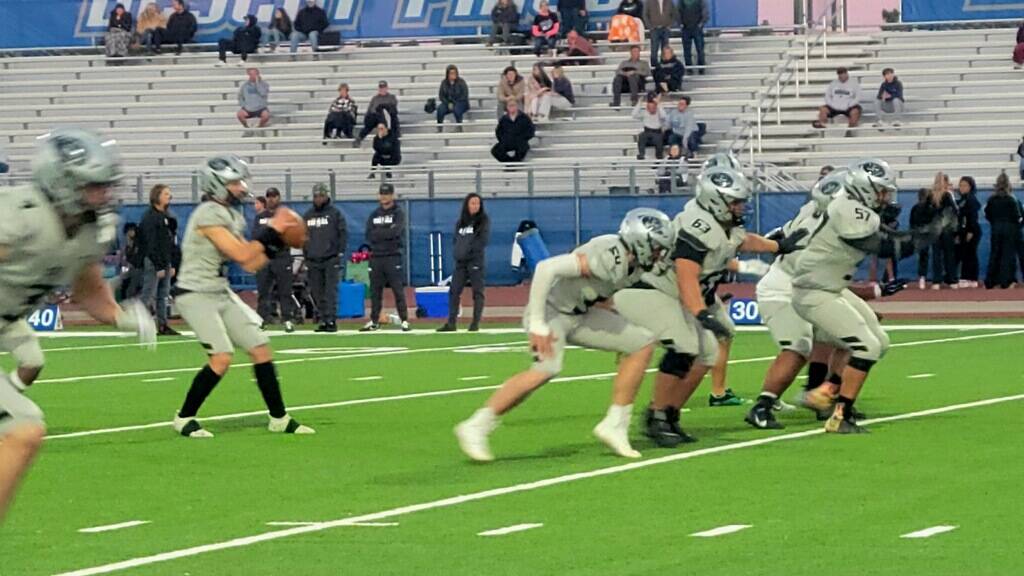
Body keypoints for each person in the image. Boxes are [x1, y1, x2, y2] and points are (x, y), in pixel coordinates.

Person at [0, 128, 156, 521]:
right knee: (23, 428)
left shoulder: (87, 230)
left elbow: (88, 291)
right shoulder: (19, 215)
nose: (103, 195)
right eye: (93, 186)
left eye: (105, 186)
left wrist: (122, 317)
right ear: (61, 181)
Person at [455, 208, 676, 462]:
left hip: (580, 314)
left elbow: (600, 292)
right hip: (552, 312)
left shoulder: (634, 263)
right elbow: (546, 269)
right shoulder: (607, 254)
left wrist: (619, 330)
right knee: (547, 368)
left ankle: (615, 425)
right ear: (641, 242)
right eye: (657, 247)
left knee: (641, 343)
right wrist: (537, 323)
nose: (660, 254)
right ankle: (476, 425)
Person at [615, 166, 808, 445]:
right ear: (716, 201)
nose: (741, 208)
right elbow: (686, 274)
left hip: (685, 294)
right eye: (736, 202)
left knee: (708, 351)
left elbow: (741, 241)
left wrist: (778, 246)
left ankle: (670, 413)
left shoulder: (723, 223)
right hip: (658, 291)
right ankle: (656, 416)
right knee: (685, 345)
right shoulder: (697, 224)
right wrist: (700, 312)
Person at [792, 159, 954, 433]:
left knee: (879, 341)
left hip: (830, 288)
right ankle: (840, 414)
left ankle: (825, 392)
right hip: (814, 291)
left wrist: (930, 231)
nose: (885, 197)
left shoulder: (853, 206)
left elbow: (894, 236)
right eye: (881, 191)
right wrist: (935, 229)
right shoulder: (846, 209)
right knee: (866, 346)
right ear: (865, 188)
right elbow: (890, 246)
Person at [171, 155, 313, 438]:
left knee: (260, 348)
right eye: (234, 182)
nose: (241, 187)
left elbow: (249, 263)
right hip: (195, 292)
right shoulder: (208, 213)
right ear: (218, 185)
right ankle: (184, 417)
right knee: (222, 357)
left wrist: (277, 243)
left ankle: (279, 418)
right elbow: (241, 254)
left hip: (218, 290)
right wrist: (275, 229)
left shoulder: (231, 214)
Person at [438, 194, 490, 333]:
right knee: (454, 291)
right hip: (460, 262)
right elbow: (456, 239)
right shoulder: (461, 222)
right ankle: (451, 323)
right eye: (472, 203)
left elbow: (482, 241)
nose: (475, 206)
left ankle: (475, 323)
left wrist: (470, 252)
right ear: (467, 205)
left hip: (475, 261)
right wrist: (458, 253)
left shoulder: (482, 221)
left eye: (477, 203)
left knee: (477, 292)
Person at [361, 184, 410, 332]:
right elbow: (369, 235)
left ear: (392, 195)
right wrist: (385, 233)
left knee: (397, 290)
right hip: (376, 257)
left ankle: (404, 320)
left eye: (387, 194)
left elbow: (396, 232)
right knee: (375, 291)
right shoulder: (374, 214)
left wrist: (381, 234)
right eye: (382, 194)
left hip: (392, 256)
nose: (384, 197)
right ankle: (374, 320)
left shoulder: (398, 213)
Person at [303, 183, 347, 333]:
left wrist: (339, 252)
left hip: (330, 258)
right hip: (313, 259)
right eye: (316, 196)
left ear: (327, 195)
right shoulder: (308, 215)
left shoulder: (335, 214)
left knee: (330, 292)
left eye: (321, 195)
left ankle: (331, 320)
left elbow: (343, 233)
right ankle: (322, 319)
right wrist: (306, 255)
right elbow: (303, 236)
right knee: (317, 292)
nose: (318, 199)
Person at [252, 188, 297, 331]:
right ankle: (261, 319)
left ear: (279, 198)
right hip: (265, 258)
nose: (271, 199)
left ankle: (287, 319)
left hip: (282, 257)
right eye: (269, 196)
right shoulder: (260, 217)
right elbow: (256, 236)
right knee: (263, 291)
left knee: (285, 290)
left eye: (274, 196)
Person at [138, 184, 179, 335]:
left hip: (166, 259)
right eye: (166, 193)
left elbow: (170, 242)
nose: (169, 196)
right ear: (157, 196)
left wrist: (172, 263)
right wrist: (158, 265)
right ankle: (141, 324)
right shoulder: (150, 217)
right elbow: (150, 243)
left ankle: (162, 324)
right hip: (154, 261)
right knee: (148, 294)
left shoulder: (167, 216)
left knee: (163, 295)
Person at [985, 172, 1022, 289]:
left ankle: (991, 281)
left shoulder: (991, 199)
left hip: (996, 228)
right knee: (1007, 255)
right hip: (1010, 229)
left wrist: (995, 223)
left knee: (995, 254)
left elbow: (987, 214)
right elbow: (1017, 216)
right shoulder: (1012, 200)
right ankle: (1006, 281)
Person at [929, 172, 958, 289]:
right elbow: (955, 211)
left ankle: (936, 280)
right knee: (949, 255)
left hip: (934, 228)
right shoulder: (948, 195)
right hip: (946, 229)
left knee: (936, 255)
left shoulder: (930, 196)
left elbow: (927, 213)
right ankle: (951, 280)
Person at [956, 176, 982, 288]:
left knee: (970, 253)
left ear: (971, 187)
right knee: (964, 254)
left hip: (972, 230)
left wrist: (970, 231)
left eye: (965, 185)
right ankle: (966, 277)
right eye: (960, 185)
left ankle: (972, 278)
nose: (962, 188)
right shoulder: (962, 199)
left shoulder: (971, 199)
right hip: (963, 230)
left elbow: (973, 216)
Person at [354, 81, 399, 146]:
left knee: (383, 111)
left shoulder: (391, 97)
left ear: (386, 88)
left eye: (383, 88)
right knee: (371, 120)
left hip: (387, 118)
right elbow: (370, 110)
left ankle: (388, 140)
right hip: (375, 118)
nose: (382, 89)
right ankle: (359, 139)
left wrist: (382, 107)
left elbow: (393, 108)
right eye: (381, 88)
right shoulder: (375, 98)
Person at [910, 187, 932, 290]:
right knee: (925, 256)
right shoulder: (922, 208)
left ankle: (922, 277)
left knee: (924, 256)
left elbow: (912, 223)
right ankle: (923, 277)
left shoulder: (916, 207)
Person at [644, 0, 678, 67]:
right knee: (654, 50)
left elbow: (674, 14)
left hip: (665, 29)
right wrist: (650, 27)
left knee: (665, 50)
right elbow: (645, 15)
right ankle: (654, 68)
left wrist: (670, 26)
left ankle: (664, 67)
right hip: (654, 29)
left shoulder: (669, 2)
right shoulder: (649, 2)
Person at [633, 93, 667, 160]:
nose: (651, 109)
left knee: (658, 139)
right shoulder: (645, 113)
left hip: (657, 132)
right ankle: (641, 154)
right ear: (647, 108)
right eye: (649, 108)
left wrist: (659, 104)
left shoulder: (659, 112)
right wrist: (639, 103)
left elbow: (664, 116)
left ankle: (659, 157)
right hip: (647, 132)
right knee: (641, 136)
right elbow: (634, 115)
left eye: (653, 107)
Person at [679, 0, 709, 74]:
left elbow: (705, 12)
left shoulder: (701, 1)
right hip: (686, 28)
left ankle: (701, 68)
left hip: (697, 28)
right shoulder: (681, 1)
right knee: (687, 50)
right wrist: (680, 23)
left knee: (700, 49)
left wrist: (701, 24)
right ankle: (689, 68)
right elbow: (678, 12)